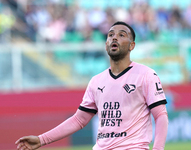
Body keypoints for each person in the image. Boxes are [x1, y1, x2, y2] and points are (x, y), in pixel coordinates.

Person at [15, 21, 168, 150]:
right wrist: (42, 139)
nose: (114, 37)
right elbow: (79, 120)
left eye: (121, 35)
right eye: (110, 35)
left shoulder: (145, 75)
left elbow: (160, 115)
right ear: (106, 43)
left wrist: (158, 148)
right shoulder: (97, 81)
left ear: (131, 46)